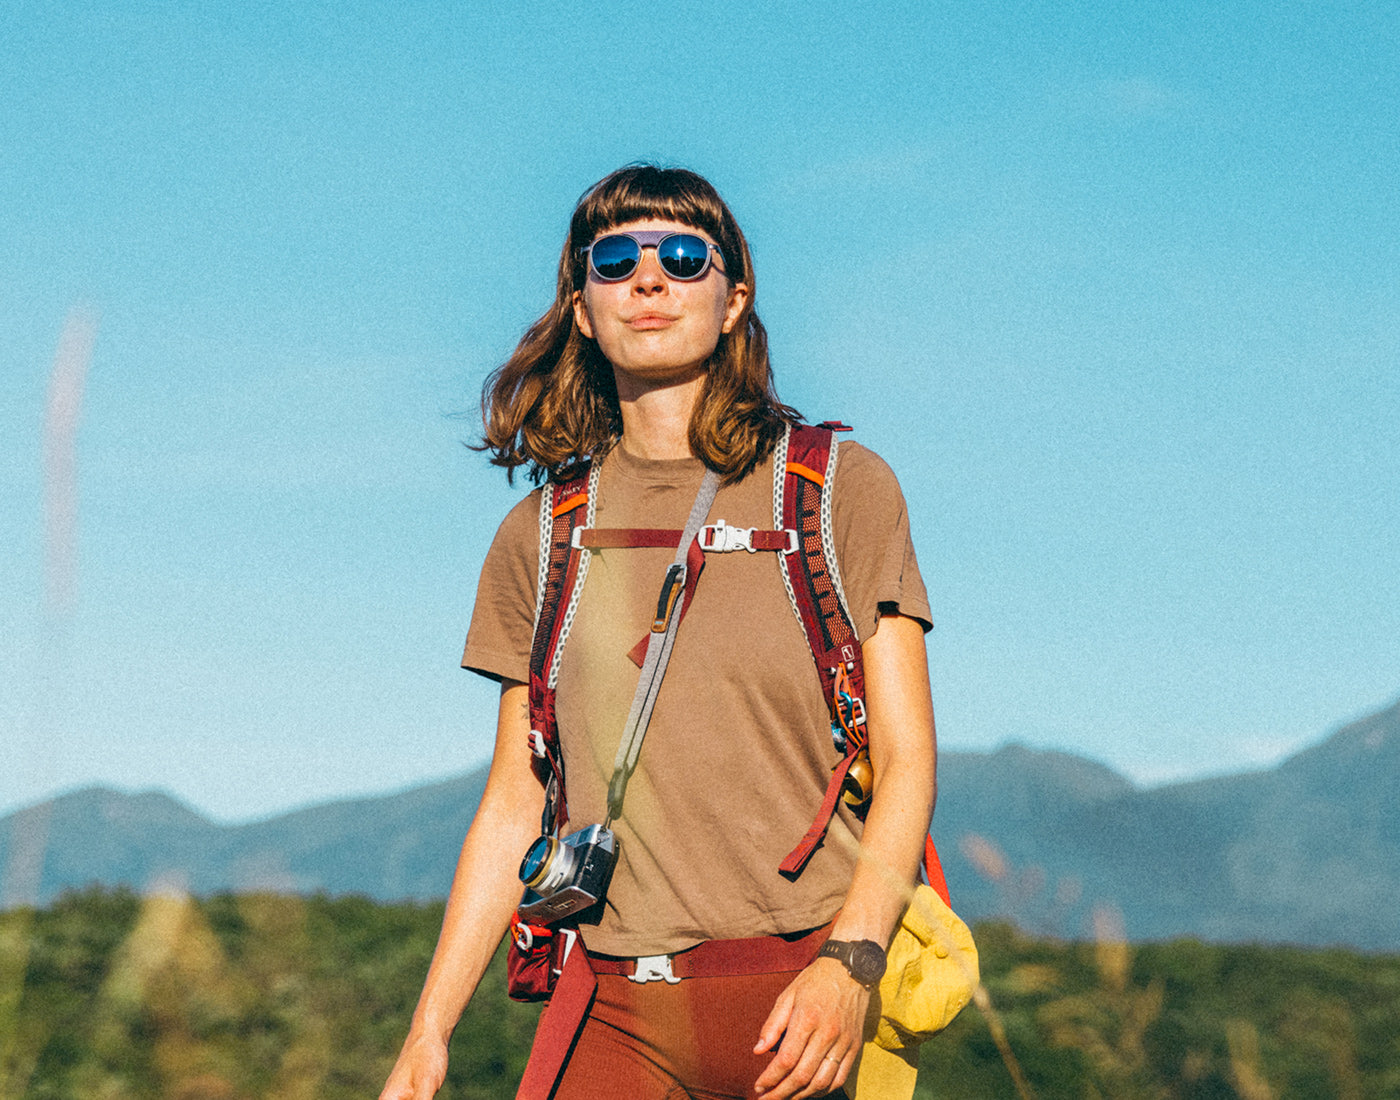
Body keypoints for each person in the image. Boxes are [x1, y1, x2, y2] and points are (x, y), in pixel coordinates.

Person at [380, 164, 937, 1100]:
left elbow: (909, 759)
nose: (649, 279)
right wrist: (427, 1034)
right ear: (582, 308)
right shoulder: (542, 534)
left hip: (801, 1000)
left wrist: (851, 965)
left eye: (683, 257)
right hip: (612, 1006)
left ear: (733, 300)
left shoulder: (836, 489)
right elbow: (516, 797)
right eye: (614, 260)